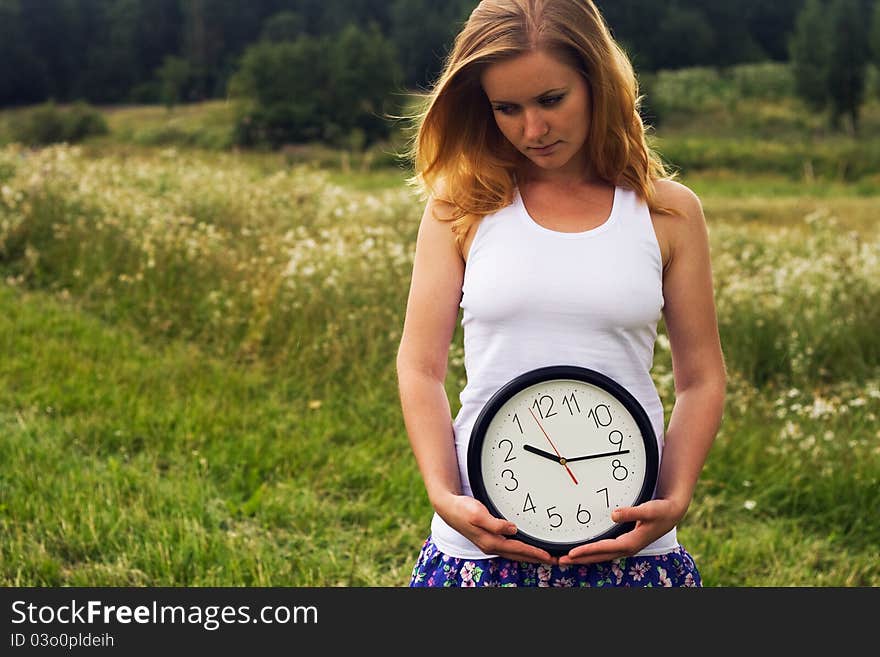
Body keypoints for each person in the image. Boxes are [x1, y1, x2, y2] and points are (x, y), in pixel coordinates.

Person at [395, 0, 726, 587]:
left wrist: (673, 498)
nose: (533, 130)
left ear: (597, 82)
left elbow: (701, 376)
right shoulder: (459, 208)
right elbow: (420, 366)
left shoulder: (668, 212)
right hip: (480, 542)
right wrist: (446, 495)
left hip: (630, 543)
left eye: (551, 100)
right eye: (507, 108)